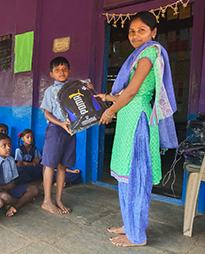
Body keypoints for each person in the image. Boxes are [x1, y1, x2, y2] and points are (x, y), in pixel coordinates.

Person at [95, 12, 178, 247]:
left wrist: (110, 111)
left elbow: (132, 93)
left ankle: (137, 235)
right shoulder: (137, 56)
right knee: (126, 175)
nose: (135, 35)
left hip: (138, 120)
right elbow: (127, 92)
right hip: (128, 118)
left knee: (136, 176)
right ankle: (129, 222)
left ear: (153, 32)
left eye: (141, 30)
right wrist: (108, 97)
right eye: (132, 31)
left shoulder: (151, 52)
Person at [40, 56, 94, 214]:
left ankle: (58, 200)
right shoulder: (51, 91)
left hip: (71, 131)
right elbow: (47, 114)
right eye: (57, 70)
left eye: (64, 69)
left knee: (63, 165)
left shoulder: (75, 88)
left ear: (69, 71)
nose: (61, 72)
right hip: (56, 130)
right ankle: (47, 201)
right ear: (51, 74)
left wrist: (89, 89)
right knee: (50, 164)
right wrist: (60, 123)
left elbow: (88, 104)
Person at [0, 133, 38, 217]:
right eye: (4, 146)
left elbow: (12, 181)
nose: (8, 148)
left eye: (9, 145)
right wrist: (5, 188)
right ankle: (18, 201)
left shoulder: (11, 159)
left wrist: (9, 187)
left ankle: (12, 206)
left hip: (9, 188)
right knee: (6, 197)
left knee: (34, 189)